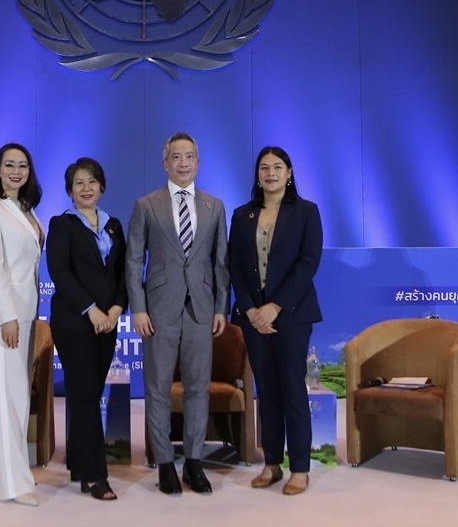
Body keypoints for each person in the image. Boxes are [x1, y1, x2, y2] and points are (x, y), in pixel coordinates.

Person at [125, 131, 230, 495]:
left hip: (202, 309)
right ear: (165, 163)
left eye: (189, 157)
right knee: (157, 388)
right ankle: (166, 464)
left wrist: (221, 307)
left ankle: (195, 463)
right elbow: (133, 261)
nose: (183, 163)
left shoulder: (215, 206)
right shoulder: (146, 205)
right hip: (158, 311)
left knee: (198, 388)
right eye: (176, 157)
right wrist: (138, 309)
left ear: (198, 163)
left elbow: (221, 263)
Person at [228, 146, 322, 496]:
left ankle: (300, 468)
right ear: (257, 175)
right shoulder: (242, 215)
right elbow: (235, 265)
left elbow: (308, 262)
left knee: (292, 389)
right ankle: (271, 464)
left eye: (277, 167)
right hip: (253, 318)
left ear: (289, 172)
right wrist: (252, 309)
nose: (271, 173)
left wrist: (276, 306)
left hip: (292, 315)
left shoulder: (306, 211)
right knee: (266, 391)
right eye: (264, 167)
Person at [46, 157, 127, 501]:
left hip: (108, 323)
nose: (86, 188)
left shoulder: (114, 225)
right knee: (84, 394)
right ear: (70, 190)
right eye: (78, 183)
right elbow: (60, 273)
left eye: (92, 181)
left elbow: (123, 272)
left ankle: (79, 464)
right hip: (74, 323)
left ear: (102, 186)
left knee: (89, 394)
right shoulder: (61, 224)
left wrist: (116, 309)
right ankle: (95, 476)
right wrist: (92, 311)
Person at [0, 142, 45, 506]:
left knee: (4, 394)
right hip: (6, 314)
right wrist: (7, 316)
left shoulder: (26, 209)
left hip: (26, 310)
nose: (17, 171)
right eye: (10, 165)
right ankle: (14, 484)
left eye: (23, 165)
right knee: (11, 397)